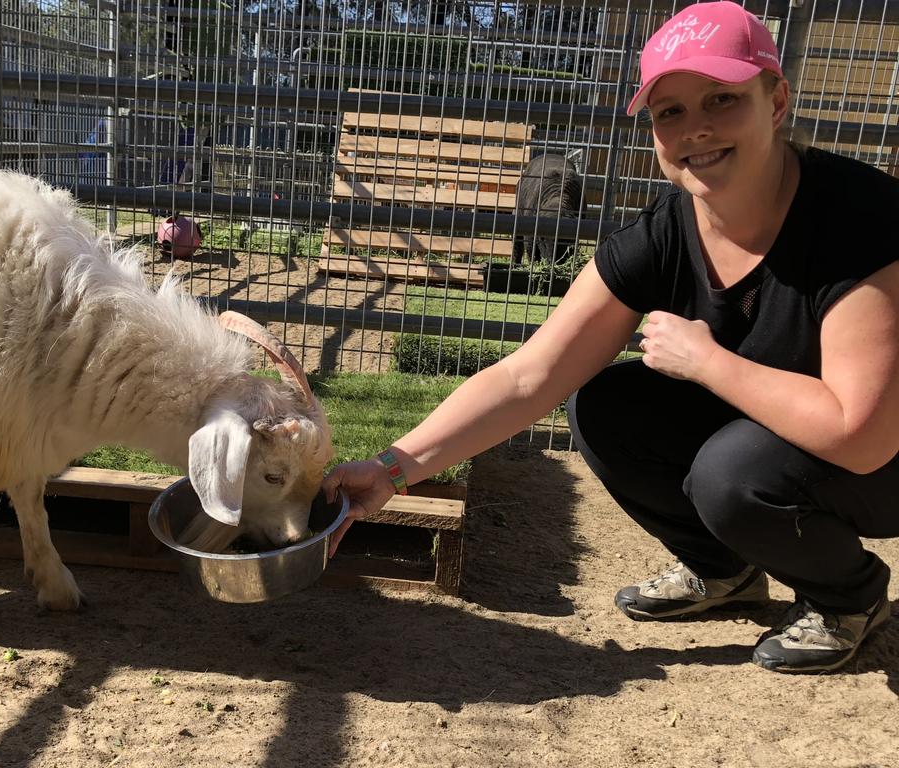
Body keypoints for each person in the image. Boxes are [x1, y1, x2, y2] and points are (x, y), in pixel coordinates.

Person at [322, 0, 899, 674]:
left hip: (881, 462)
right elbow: (528, 375)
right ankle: (724, 571)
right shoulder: (664, 230)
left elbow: (862, 437)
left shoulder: (859, 219)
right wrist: (394, 470)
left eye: (723, 99)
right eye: (671, 111)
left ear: (775, 103)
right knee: (603, 407)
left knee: (732, 473)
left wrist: (708, 363)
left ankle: (847, 597)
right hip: (782, 437)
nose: (696, 129)